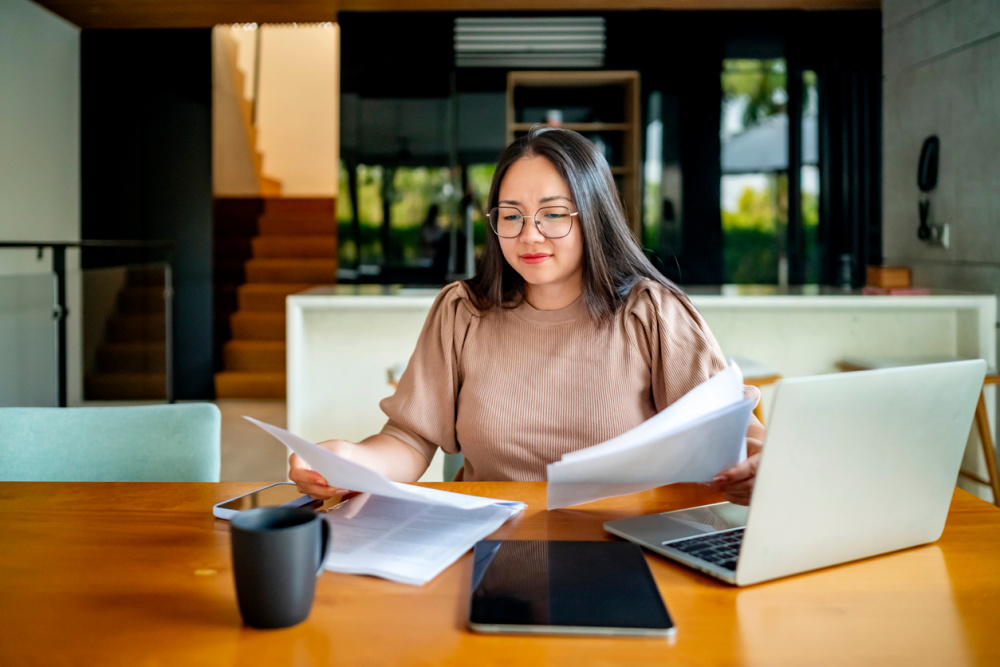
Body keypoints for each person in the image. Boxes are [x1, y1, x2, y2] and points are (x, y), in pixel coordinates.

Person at [291, 127, 766, 505]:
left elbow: (734, 435)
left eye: (553, 214)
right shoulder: (462, 311)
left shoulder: (652, 313)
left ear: (592, 216)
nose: (529, 236)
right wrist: (350, 460)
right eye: (511, 215)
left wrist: (758, 466)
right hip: (486, 540)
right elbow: (411, 440)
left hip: (623, 542)